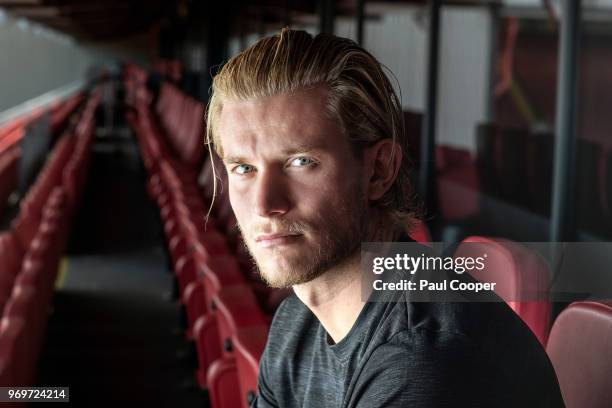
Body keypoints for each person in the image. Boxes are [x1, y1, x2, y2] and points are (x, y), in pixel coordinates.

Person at [205, 28, 564, 407]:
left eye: (301, 162)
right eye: (243, 168)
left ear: (378, 170)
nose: (265, 204)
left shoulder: (421, 359)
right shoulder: (295, 323)